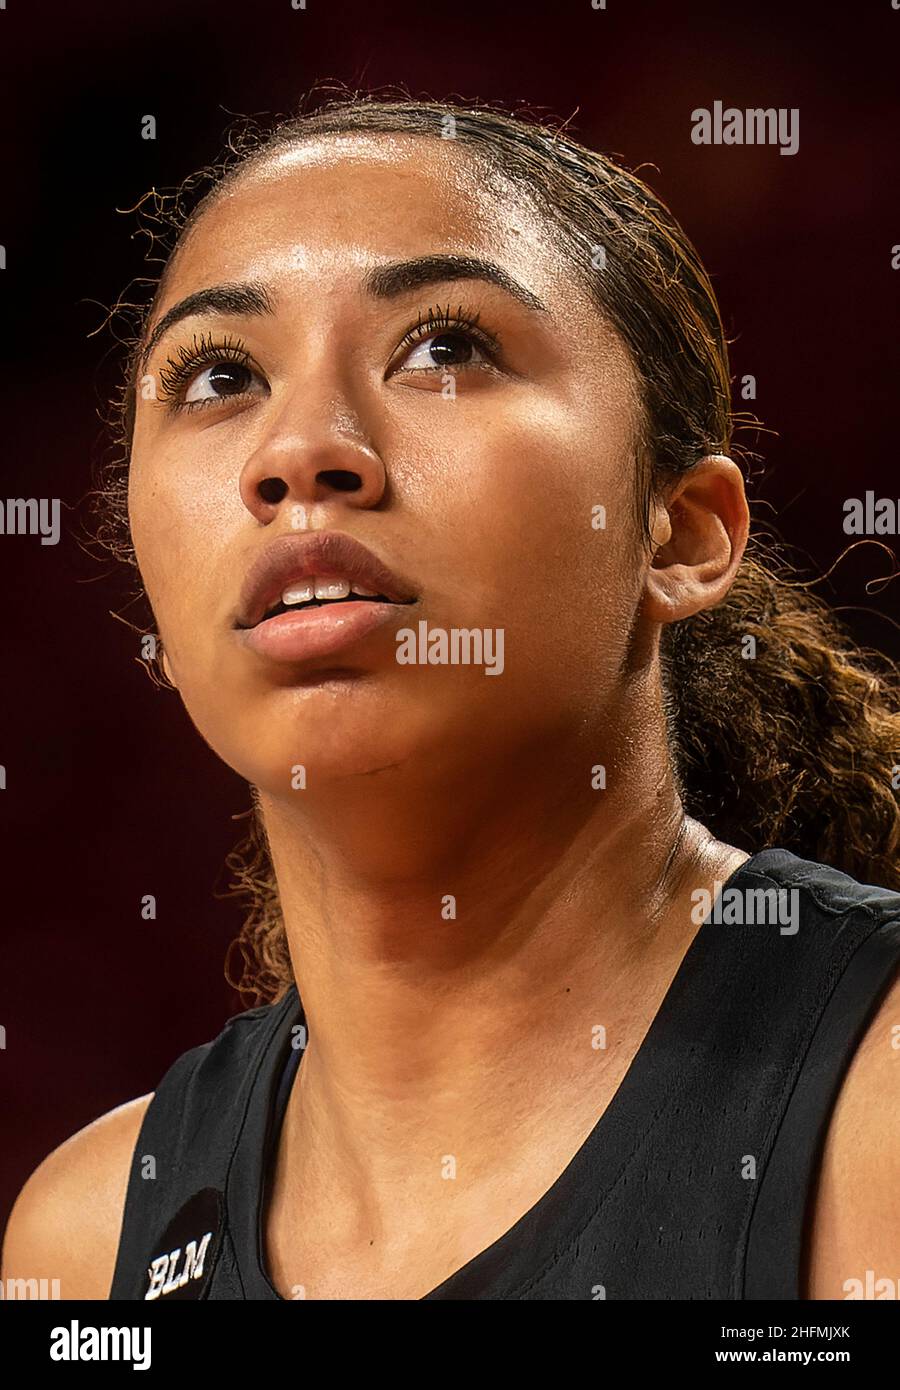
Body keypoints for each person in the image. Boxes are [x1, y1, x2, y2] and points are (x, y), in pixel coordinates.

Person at [3, 95, 899, 1301]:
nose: (300, 450)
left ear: (680, 535)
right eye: (221, 374)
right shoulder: (87, 1240)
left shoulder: (875, 1124)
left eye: (444, 348)